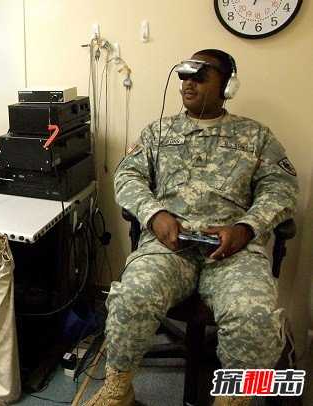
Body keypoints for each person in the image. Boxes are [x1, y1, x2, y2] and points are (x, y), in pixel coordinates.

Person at [85, 49, 298, 406]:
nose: (188, 83)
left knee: (254, 315)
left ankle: (235, 400)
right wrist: (154, 214)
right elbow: (127, 176)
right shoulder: (158, 132)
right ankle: (118, 389)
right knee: (130, 296)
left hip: (232, 250)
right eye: (184, 75)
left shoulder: (255, 135)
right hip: (169, 246)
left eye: (200, 76)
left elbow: (281, 189)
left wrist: (246, 227)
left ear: (227, 86)